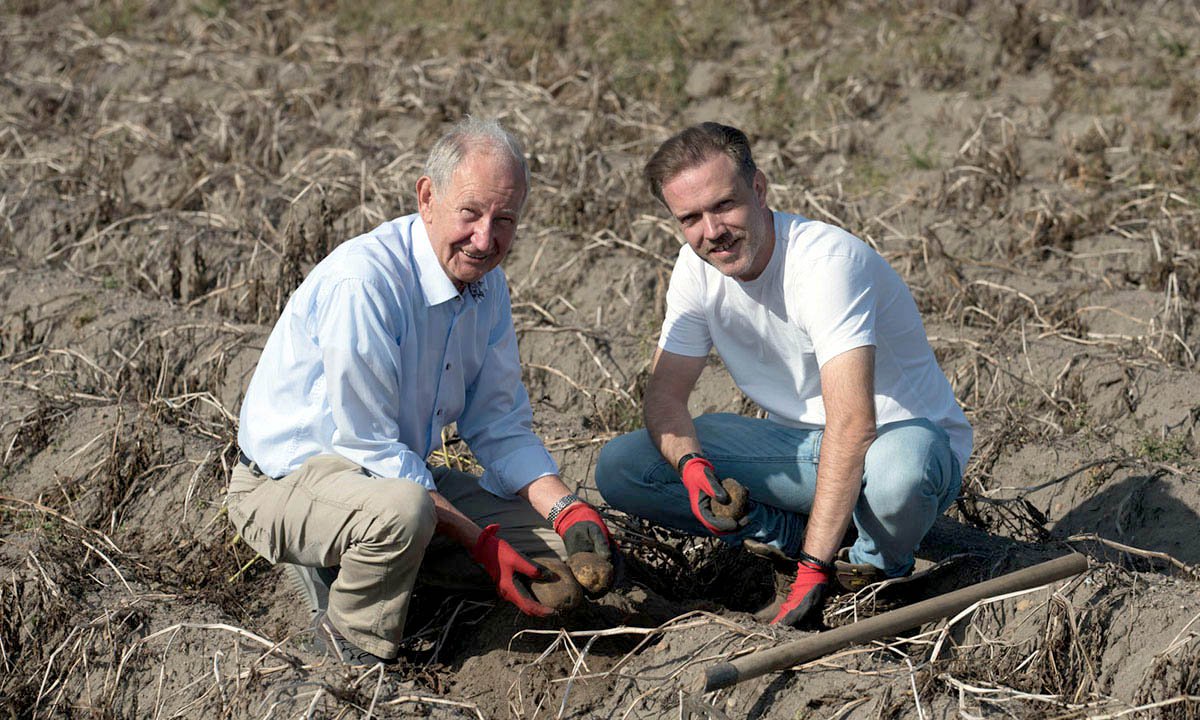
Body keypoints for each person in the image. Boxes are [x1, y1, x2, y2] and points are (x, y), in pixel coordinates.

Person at [228, 118, 615, 666]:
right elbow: (370, 449)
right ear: (427, 196)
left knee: (561, 571)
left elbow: (499, 425)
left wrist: (570, 512)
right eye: (471, 214)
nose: (485, 239)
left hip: (394, 480)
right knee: (406, 512)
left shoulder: (486, 284)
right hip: (287, 483)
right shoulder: (365, 283)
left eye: (504, 220)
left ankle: (405, 577)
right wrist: (479, 542)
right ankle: (346, 658)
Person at [595, 122, 971, 627]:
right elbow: (665, 402)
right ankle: (790, 540)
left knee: (902, 469)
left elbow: (855, 424)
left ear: (759, 188)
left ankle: (870, 575)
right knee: (625, 466)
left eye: (724, 205)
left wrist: (813, 574)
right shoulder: (694, 268)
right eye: (690, 218)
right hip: (801, 457)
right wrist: (691, 469)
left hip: (891, 449)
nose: (712, 231)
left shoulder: (827, 263)